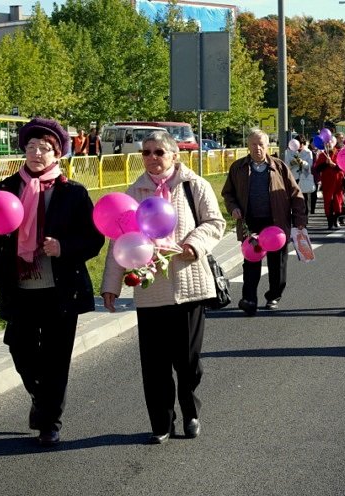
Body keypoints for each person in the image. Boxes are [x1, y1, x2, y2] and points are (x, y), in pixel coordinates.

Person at [0, 117, 104, 447]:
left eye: (44, 148)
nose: (36, 153)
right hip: (19, 287)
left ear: (58, 154)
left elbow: (92, 240)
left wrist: (64, 247)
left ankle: (50, 422)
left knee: (56, 358)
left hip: (60, 289)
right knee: (19, 348)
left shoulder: (73, 193)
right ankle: (40, 398)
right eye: (31, 147)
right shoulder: (4, 189)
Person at [101, 130, 226, 443]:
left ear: (174, 155)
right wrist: (111, 285)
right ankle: (161, 422)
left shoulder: (193, 185)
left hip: (189, 283)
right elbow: (120, 239)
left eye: (159, 152)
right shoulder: (135, 192)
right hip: (150, 289)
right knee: (154, 364)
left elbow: (214, 223)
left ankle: (191, 412)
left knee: (188, 362)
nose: (152, 158)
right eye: (146, 153)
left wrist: (192, 245)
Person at [221, 128, 307, 315]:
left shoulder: (279, 167)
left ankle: (274, 296)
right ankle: (249, 299)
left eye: (261, 144)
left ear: (267, 146)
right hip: (250, 222)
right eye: (253, 144)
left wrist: (300, 219)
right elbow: (228, 193)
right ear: (248, 145)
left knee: (278, 263)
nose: (257, 148)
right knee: (251, 262)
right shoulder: (238, 167)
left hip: (275, 222)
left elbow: (295, 194)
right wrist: (233, 207)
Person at [314, 134, 345, 229]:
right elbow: (317, 168)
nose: (328, 144)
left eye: (330, 142)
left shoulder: (339, 153)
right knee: (328, 201)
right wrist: (325, 164)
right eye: (327, 143)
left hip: (338, 182)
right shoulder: (322, 155)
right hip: (327, 181)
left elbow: (343, 167)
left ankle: (336, 219)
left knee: (338, 201)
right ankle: (330, 222)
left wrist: (334, 165)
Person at [285, 134, 315, 217]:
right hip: (294, 177)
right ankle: (295, 216)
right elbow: (286, 164)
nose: (299, 146)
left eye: (301, 144)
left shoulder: (308, 152)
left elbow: (309, 166)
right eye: (298, 144)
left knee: (304, 198)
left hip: (304, 177)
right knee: (294, 198)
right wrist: (292, 163)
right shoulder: (289, 151)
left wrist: (302, 162)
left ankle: (305, 217)